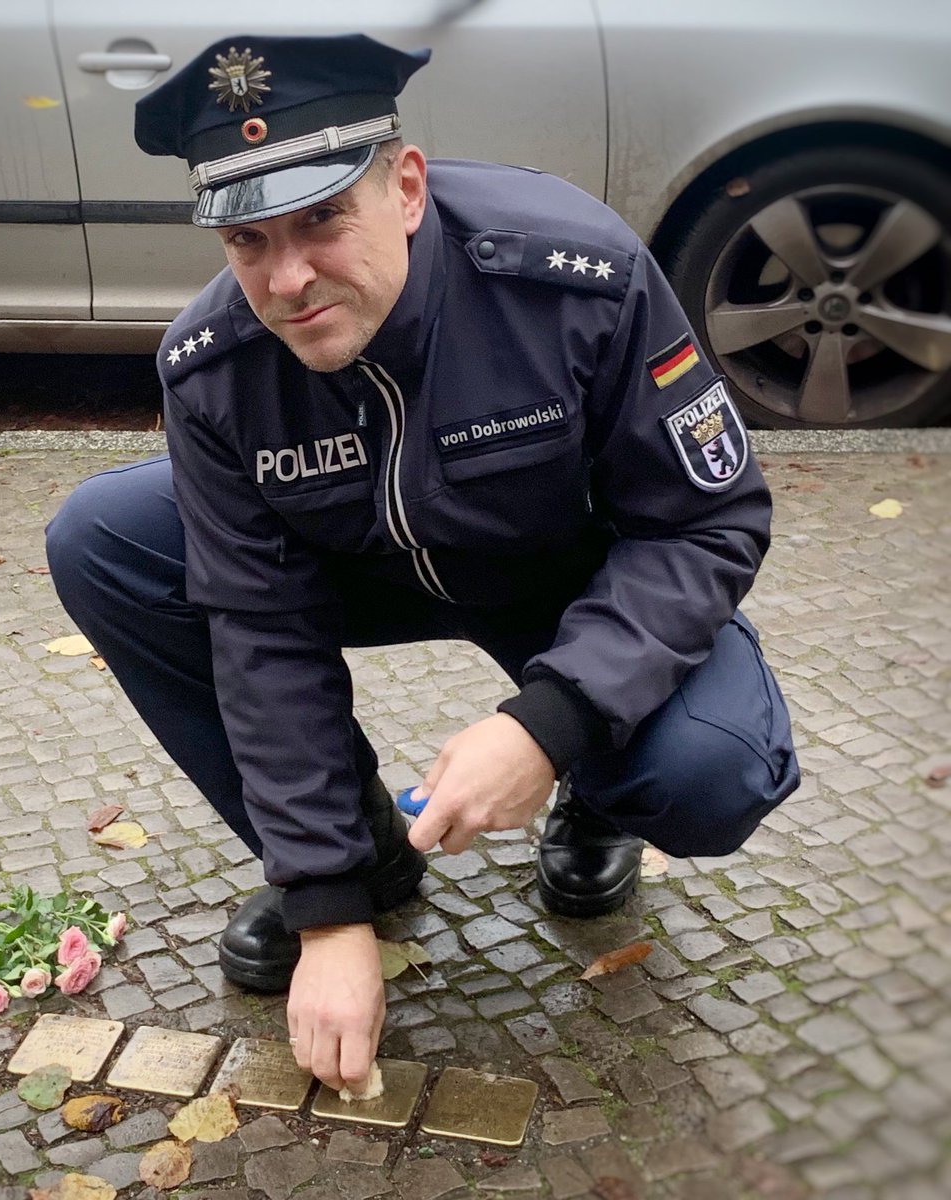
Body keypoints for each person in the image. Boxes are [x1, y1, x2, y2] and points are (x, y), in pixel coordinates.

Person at [46, 33, 799, 1098]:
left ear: (405, 186)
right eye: (248, 240)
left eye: (321, 220)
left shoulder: (575, 278)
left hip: (572, 580)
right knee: (101, 537)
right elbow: (259, 631)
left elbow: (705, 520)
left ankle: (599, 789)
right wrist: (330, 910)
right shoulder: (212, 369)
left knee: (710, 770)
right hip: (362, 563)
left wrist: (551, 726)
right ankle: (366, 849)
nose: (290, 277)